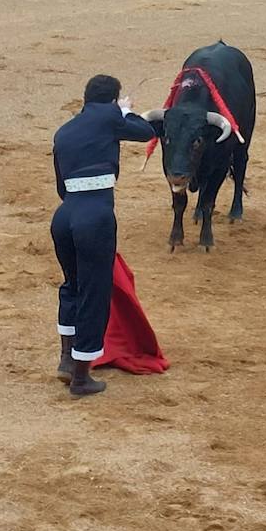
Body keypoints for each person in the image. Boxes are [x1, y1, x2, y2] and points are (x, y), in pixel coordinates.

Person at [51, 74, 157, 398]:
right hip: (94, 215)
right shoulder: (109, 115)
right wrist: (123, 111)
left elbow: (60, 186)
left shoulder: (64, 131)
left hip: (65, 215)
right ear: (111, 99)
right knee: (94, 292)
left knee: (71, 285)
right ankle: (82, 377)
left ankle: (67, 360)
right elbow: (147, 132)